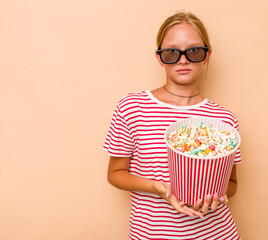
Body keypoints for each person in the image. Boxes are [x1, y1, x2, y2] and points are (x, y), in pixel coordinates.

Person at [103, 11, 242, 240]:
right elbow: (115, 173)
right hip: (152, 234)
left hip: (216, 234)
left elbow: (232, 184)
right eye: (172, 52)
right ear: (159, 57)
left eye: (194, 51)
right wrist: (157, 187)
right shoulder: (133, 108)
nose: (183, 59)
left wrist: (216, 195)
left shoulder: (224, 119)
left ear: (207, 55)